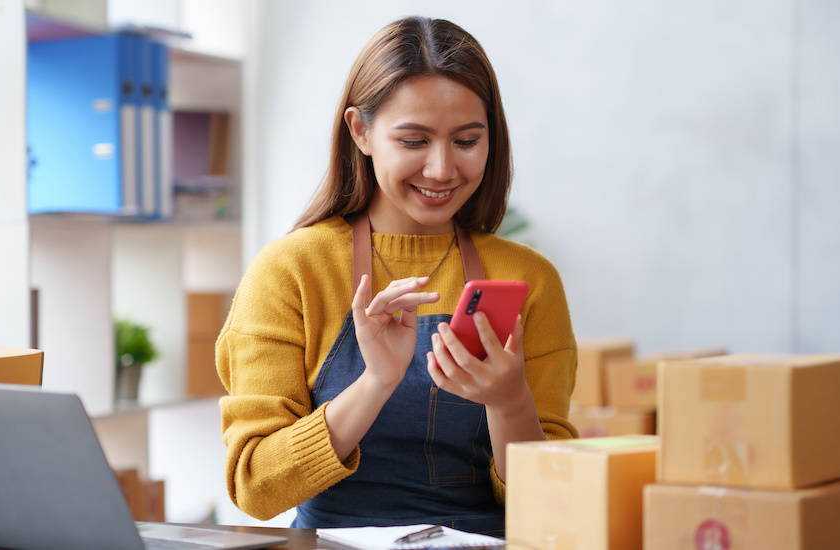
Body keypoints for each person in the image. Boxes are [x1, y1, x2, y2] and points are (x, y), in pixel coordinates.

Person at [216, 15, 577, 535]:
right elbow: (255, 487)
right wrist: (374, 383)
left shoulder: (530, 279)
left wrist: (510, 401)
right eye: (413, 141)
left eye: (467, 140)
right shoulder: (290, 271)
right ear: (360, 132)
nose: (441, 169)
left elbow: (555, 504)